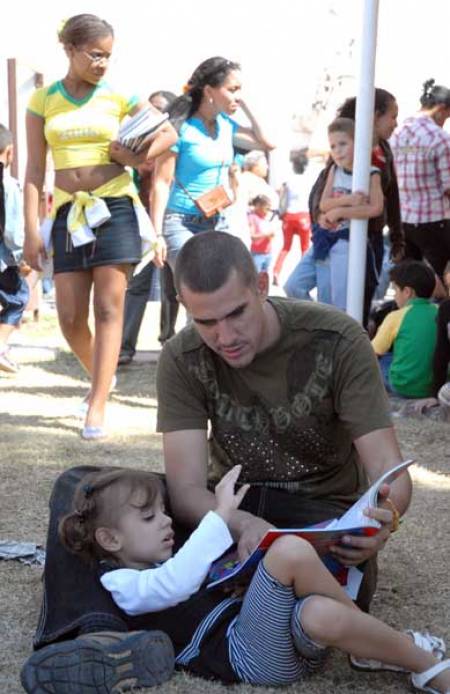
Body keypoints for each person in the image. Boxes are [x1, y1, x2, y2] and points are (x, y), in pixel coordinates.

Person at [156, 230, 412, 618]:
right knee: (96, 496)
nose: (225, 337)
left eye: (236, 313)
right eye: (205, 321)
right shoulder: (182, 356)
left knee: (316, 603)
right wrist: (243, 524)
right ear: (183, 307)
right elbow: (186, 490)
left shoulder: (337, 339)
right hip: (231, 509)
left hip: (320, 514)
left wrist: (384, 519)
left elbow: (388, 470)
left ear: (261, 286)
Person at [22, 465, 450, 692]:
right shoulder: (121, 583)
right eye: (150, 517)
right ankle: (425, 662)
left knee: (321, 613)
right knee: (288, 551)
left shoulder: (156, 563)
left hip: (282, 646)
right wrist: (220, 517)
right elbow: (174, 583)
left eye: (164, 512)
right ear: (109, 538)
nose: (167, 522)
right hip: (248, 656)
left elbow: (191, 579)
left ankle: (388, 652)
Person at [23, 14, 177, 439]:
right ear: (69, 50)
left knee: (109, 309)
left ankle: (97, 404)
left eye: (108, 55)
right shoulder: (42, 101)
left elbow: (168, 135)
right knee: (70, 318)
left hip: (115, 209)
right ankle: (101, 378)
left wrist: (135, 157)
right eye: (94, 54)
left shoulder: (119, 95)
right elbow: (35, 169)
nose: (102, 63)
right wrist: (34, 231)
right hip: (70, 213)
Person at [286, 88, 403, 324]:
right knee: (312, 295)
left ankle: (341, 343)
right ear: (374, 116)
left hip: (363, 239)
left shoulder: (380, 156)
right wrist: (335, 211)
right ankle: (324, 332)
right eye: (392, 116)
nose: (396, 123)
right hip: (330, 238)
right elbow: (322, 200)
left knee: (351, 306)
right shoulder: (342, 158)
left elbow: (382, 203)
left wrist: (398, 235)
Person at [151, 58, 274, 275]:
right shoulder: (180, 128)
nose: (238, 96)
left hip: (217, 221)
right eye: (233, 89)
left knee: (220, 293)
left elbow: (269, 143)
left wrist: (244, 104)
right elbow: (161, 182)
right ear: (209, 91)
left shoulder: (227, 126)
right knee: (199, 284)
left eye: (240, 90)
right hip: (180, 223)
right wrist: (157, 235)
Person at [118, 90, 177, 366]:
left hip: (169, 219)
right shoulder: (129, 141)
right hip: (137, 218)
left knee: (172, 286)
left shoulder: (176, 143)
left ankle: (169, 340)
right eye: (149, 110)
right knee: (137, 283)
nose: (151, 117)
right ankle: (124, 346)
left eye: (160, 112)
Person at [316, 117, 384, 310]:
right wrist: (346, 202)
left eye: (343, 144)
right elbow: (323, 204)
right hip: (325, 237)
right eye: (333, 146)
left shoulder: (372, 173)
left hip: (347, 240)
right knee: (297, 285)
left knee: (339, 300)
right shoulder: (334, 170)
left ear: (359, 143)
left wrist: (339, 211)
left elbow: (375, 208)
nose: (337, 151)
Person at [391, 79, 450, 279]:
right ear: (441, 109)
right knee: (440, 279)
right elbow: (448, 186)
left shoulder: (397, 133)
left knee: (409, 280)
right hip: (434, 222)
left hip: (402, 221)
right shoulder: (439, 137)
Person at [371, 261, 438, 398]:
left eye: (395, 289)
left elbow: (373, 352)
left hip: (402, 387)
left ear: (407, 292)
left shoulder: (395, 316)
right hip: (434, 386)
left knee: (383, 360)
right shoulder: (440, 312)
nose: (394, 295)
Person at [0, 124, 30, 373]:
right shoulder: (9, 186)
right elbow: (12, 230)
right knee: (18, 299)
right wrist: (21, 256)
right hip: (4, 259)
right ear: (9, 152)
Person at [273, 150, 311, 285]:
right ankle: (302, 276)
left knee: (286, 247)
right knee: (305, 248)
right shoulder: (309, 180)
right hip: (304, 216)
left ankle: (276, 271)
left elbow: (281, 196)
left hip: (288, 216)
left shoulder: (288, 180)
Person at [248, 194, 279, 274]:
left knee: (264, 278)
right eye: (267, 208)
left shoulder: (265, 218)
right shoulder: (253, 218)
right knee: (255, 278)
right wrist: (266, 234)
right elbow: (253, 236)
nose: (268, 211)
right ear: (258, 206)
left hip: (268, 253)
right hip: (257, 254)